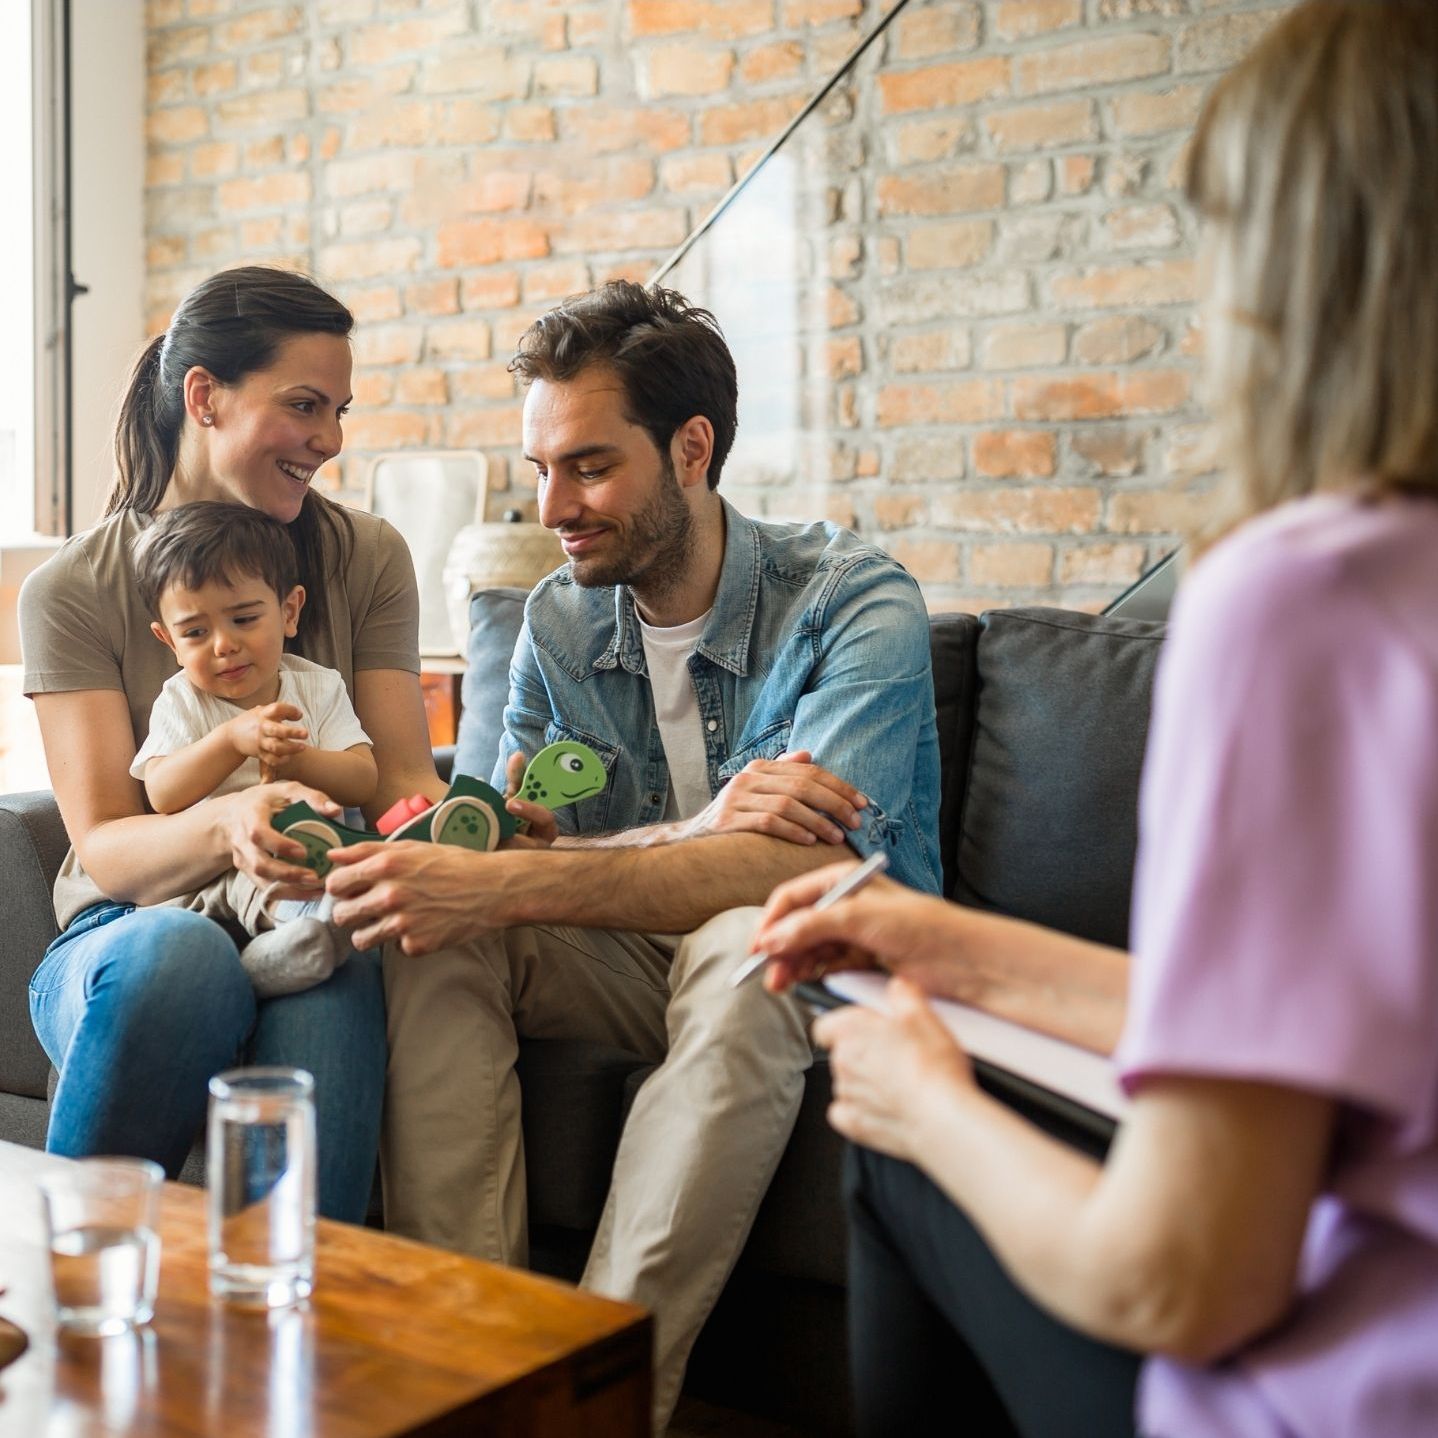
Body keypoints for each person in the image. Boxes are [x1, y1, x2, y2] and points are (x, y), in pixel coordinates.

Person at [753, 4, 1438, 1434]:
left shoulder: (1312, 596)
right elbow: (1322, 1029)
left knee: (892, 1145)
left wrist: (931, 1096)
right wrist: (947, 944)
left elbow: (1185, 1276)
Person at [326, 279, 943, 1427]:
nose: (552, 503)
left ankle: (588, 1408)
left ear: (692, 448)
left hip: (821, 967)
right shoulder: (560, 620)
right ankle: (472, 1373)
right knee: (435, 931)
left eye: (589, 466)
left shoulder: (850, 601)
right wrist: (518, 852)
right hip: (632, 953)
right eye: (539, 467)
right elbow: (492, 839)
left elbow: (797, 882)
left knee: (743, 947)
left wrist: (533, 872)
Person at [21, 265, 443, 1223]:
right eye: (304, 406)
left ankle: (288, 1332)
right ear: (203, 397)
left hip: (303, 900)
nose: (330, 441)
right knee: (181, 958)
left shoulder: (365, 558)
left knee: (333, 968)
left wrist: (470, 827)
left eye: (338, 410)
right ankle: (65, 1280)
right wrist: (231, 820)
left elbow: (403, 783)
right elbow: (109, 849)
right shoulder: (73, 592)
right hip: (122, 930)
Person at [131, 499, 376, 997]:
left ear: (289, 611)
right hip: (213, 874)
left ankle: (308, 936)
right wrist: (230, 740)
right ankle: (270, 964)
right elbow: (162, 792)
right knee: (258, 885)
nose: (223, 644)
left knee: (336, 882)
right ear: (168, 640)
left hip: (311, 861)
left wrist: (300, 760)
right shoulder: (182, 699)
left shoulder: (318, 687)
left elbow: (363, 781)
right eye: (196, 632)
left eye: (244, 619)